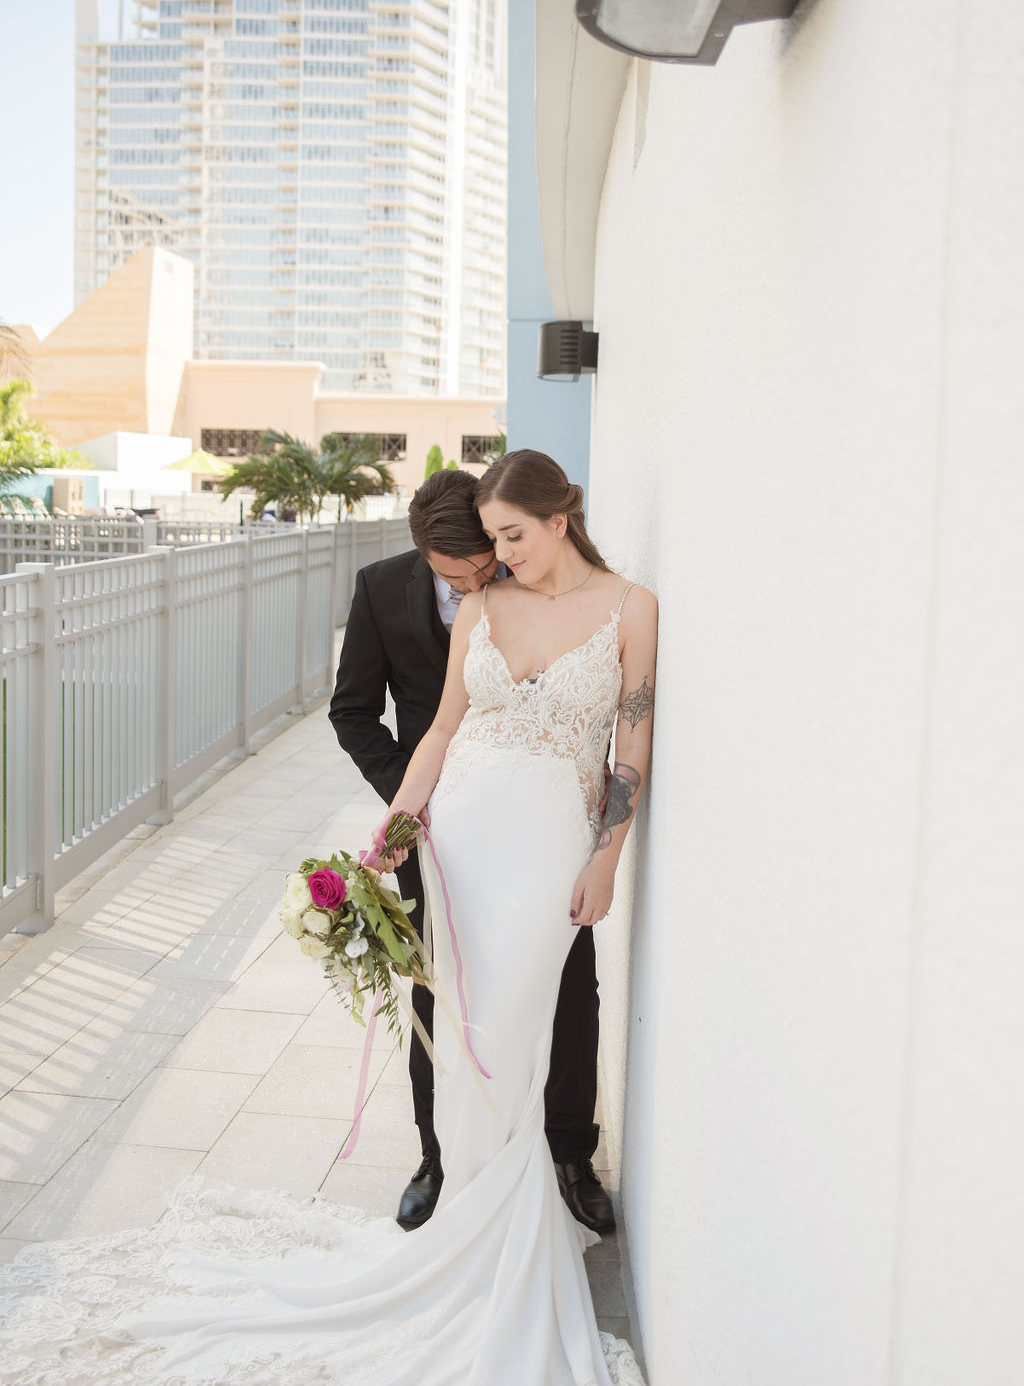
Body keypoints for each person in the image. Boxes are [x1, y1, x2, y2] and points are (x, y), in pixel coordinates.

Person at [0, 450, 655, 1386]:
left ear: (562, 518)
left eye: (512, 536)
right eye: (491, 539)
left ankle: (538, 1186)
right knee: (464, 1022)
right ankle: (472, 1208)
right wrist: (392, 831)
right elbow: (435, 734)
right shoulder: (486, 605)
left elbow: (633, 737)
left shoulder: (632, 608)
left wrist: (607, 856)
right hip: (461, 833)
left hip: (553, 841)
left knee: (520, 1027)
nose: (499, 555)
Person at [328, 468, 614, 1235]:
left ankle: (569, 1153)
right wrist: (412, 811)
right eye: (462, 573)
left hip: (541, 826)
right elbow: (354, 712)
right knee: (441, 988)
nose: (484, 578)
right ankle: (438, 1155)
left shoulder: (532, 582)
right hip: (441, 820)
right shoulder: (381, 588)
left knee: (569, 984)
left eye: (491, 556)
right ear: (427, 553)